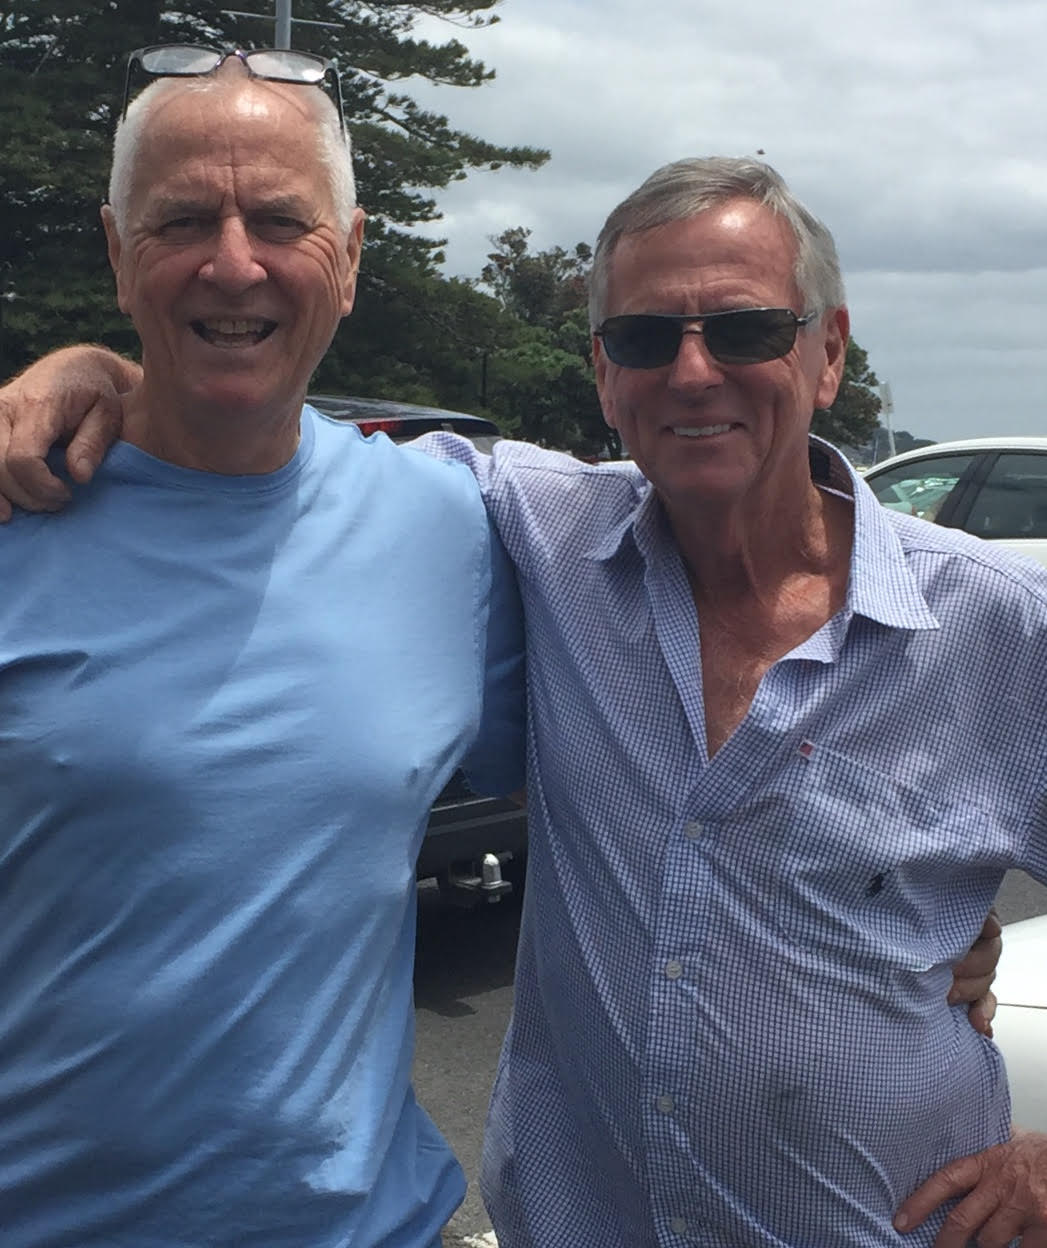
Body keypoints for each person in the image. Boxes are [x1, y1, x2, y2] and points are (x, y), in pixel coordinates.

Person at [0, 145, 1025, 1244]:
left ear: (828, 353)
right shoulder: (531, 536)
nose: (692, 373)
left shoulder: (999, 623)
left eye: (744, 330)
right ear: (603, 373)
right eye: (644, 338)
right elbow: (243, 406)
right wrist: (85, 372)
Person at [0, 48, 525, 1247]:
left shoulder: (449, 527)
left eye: (281, 222)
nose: (233, 263)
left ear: (350, 255)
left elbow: (668, 752)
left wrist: (920, 910)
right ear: (116, 251)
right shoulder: (16, 512)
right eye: (182, 219)